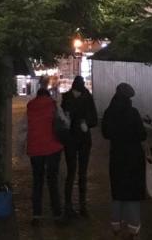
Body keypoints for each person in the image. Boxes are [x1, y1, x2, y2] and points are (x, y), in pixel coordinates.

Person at [101, 82, 146, 237]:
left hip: (117, 156)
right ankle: (133, 227)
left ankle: (116, 224)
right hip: (133, 157)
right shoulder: (133, 113)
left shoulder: (109, 112)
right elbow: (142, 135)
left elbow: (105, 133)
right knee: (132, 192)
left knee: (118, 190)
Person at [26, 76, 64, 224]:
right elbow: (63, 122)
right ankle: (57, 214)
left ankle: (36, 215)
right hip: (53, 147)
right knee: (53, 180)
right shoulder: (53, 105)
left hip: (35, 149)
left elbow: (24, 128)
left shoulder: (30, 106)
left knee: (37, 181)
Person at [61, 75, 98, 217]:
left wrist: (86, 123)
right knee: (72, 173)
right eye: (75, 91)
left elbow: (94, 118)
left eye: (78, 91)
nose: (76, 93)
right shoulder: (67, 98)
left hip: (82, 139)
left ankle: (81, 205)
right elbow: (63, 118)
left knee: (81, 173)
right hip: (72, 139)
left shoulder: (87, 97)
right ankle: (69, 205)